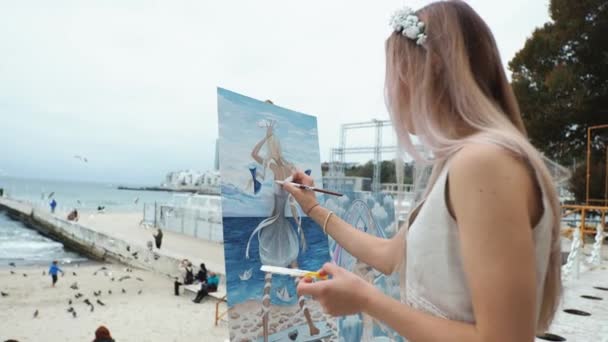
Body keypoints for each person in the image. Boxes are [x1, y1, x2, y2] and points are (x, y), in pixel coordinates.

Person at [283, 2, 562, 341]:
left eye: (398, 73)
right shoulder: (462, 161)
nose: (393, 93)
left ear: (432, 69)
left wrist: (367, 299)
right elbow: (390, 256)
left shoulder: (483, 162)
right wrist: (312, 207)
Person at [248, 120, 320, 338]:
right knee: (293, 279)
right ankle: (307, 326)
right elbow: (254, 154)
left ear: (273, 147)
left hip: (276, 228)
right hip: (279, 228)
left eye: (272, 145)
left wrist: (266, 137)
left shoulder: (283, 167)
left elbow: (254, 154)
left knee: (276, 283)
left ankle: (271, 334)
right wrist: (268, 136)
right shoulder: (282, 167)